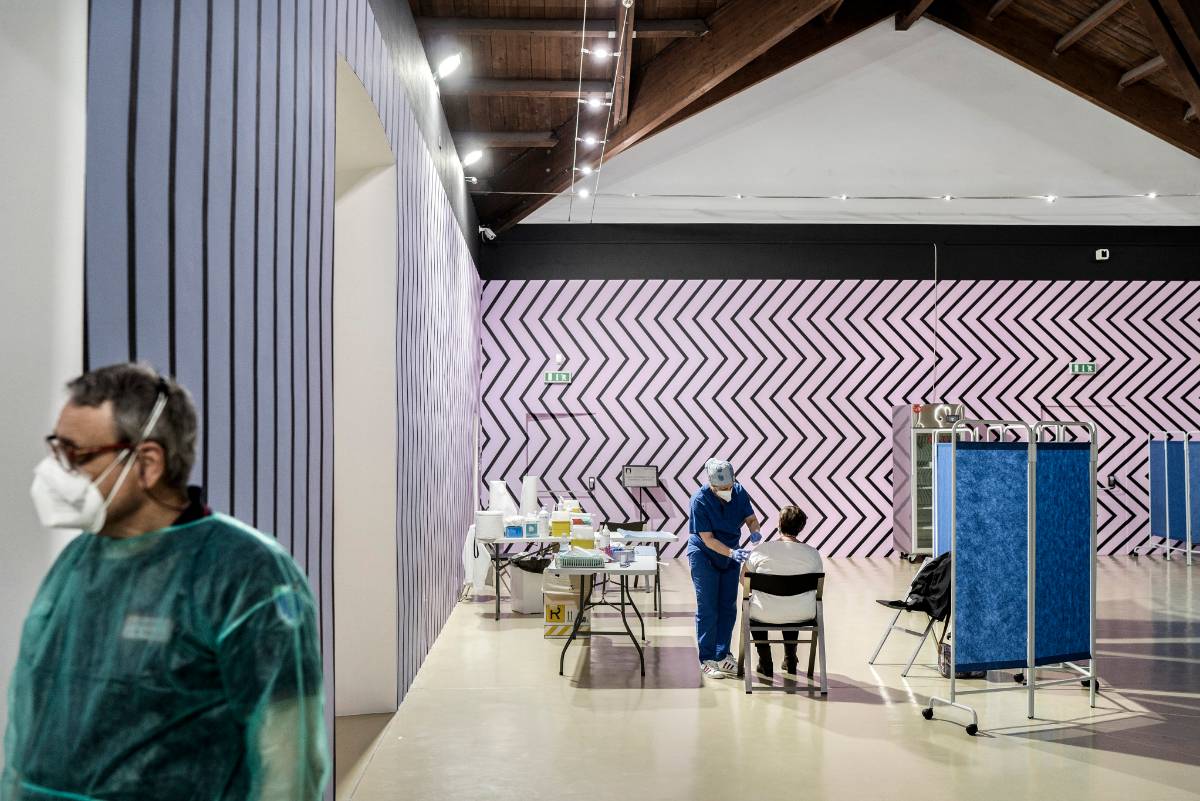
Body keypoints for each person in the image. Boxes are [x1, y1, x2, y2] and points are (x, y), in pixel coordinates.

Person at [2, 363, 329, 801]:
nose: (55, 472)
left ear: (147, 463)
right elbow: (31, 722)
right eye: (57, 449)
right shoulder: (77, 563)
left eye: (76, 455)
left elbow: (288, 759)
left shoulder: (245, 572)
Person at [687, 459, 763, 679]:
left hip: (730, 552)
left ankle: (723, 655)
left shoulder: (739, 492)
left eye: (729, 486)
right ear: (711, 484)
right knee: (708, 607)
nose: (727, 491)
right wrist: (731, 553)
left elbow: (751, 519)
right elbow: (708, 539)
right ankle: (707, 659)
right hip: (704, 554)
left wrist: (755, 531)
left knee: (728, 606)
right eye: (721, 488)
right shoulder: (699, 500)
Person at [746, 505, 822, 677]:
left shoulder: (761, 550)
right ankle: (790, 658)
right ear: (801, 527)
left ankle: (765, 660)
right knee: (792, 602)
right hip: (803, 614)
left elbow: (744, 580)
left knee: (755, 605)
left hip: (763, 613)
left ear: (779, 524)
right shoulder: (813, 554)